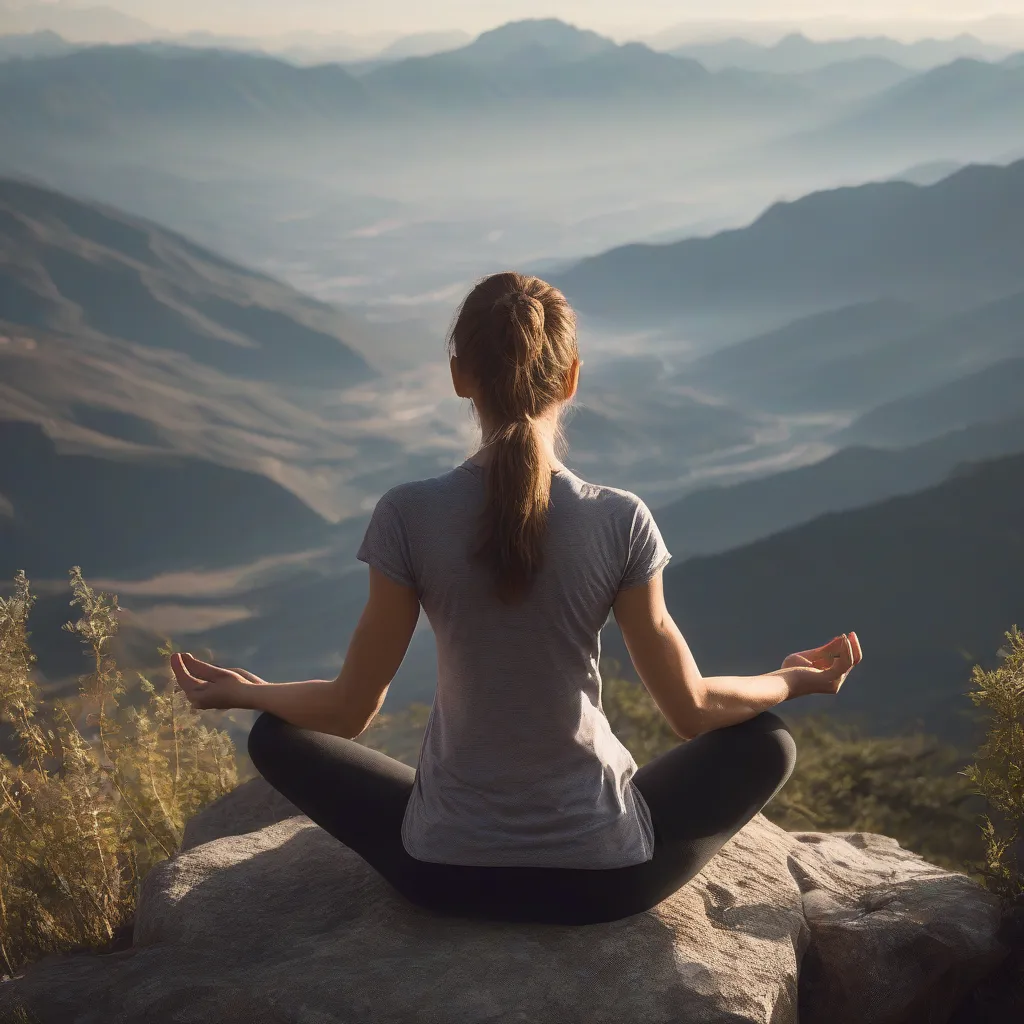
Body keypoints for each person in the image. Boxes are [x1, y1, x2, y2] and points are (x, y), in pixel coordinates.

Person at [171, 270, 862, 927]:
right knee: (765, 739)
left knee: (276, 734)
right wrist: (790, 680)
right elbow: (693, 710)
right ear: (571, 378)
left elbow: (350, 710)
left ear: (459, 377)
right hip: (603, 882)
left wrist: (248, 694)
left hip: (443, 877)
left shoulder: (408, 514)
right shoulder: (619, 518)